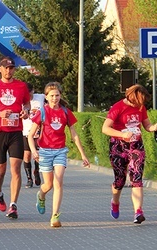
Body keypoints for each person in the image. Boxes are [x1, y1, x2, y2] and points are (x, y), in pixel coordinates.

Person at [28, 81, 89, 228]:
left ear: (60, 96)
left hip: (60, 151)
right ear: (46, 97)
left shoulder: (66, 112)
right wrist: (34, 151)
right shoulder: (42, 112)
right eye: (52, 96)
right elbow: (30, 135)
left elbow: (74, 135)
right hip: (44, 151)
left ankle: (55, 215)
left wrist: (83, 155)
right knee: (48, 184)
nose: (55, 98)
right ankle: (41, 195)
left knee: (58, 181)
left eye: (57, 95)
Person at [0, 56, 31, 219]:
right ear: (0, 69)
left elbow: (27, 104)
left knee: (15, 168)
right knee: (0, 170)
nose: (9, 71)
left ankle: (13, 205)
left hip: (16, 131)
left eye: (11, 68)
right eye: (6, 68)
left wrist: (26, 111)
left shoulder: (21, 86)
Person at [101, 84, 157, 224]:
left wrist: (154, 127)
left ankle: (138, 212)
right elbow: (105, 128)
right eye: (139, 101)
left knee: (136, 177)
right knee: (119, 180)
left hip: (136, 146)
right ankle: (115, 201)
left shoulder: (141, 107)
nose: (141, 105)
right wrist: (122, 134)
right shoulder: (118, 107)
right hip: (118, 147)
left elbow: (147, 126)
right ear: (132, 97)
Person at [22, 83, 45, 188]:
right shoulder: (21, 101)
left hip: (39, 132)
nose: (29, 96)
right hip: (26, 131)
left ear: (33, 91)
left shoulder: (40, 98)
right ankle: (29, 178)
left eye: (30, 93)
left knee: (37, 156)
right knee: (26, 155)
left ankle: (36, 171)